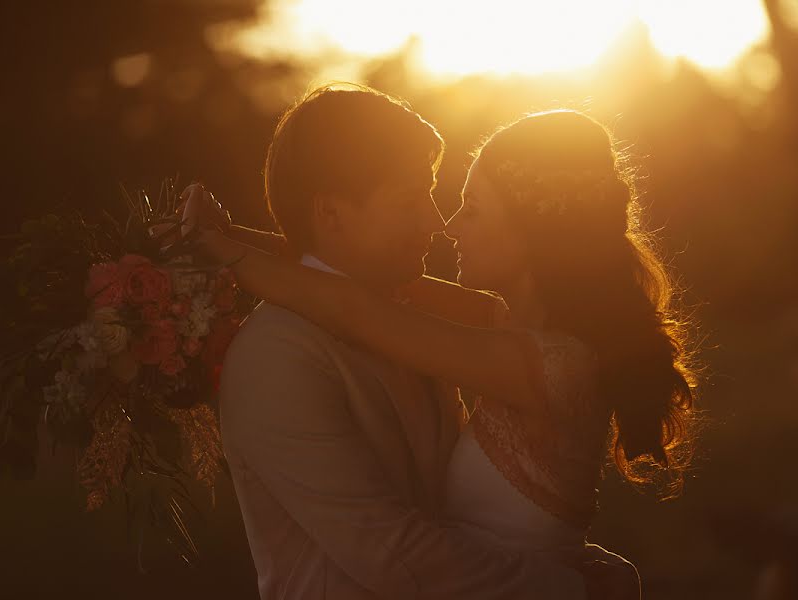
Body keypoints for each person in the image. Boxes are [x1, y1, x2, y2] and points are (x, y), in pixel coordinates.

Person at [183, 84, 642, 600]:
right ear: (331, 214)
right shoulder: (279, 355)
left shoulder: (456, 332)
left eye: (464, 205)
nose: (437, 222)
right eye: (410, 200)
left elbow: (353, 307)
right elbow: (390, 554)